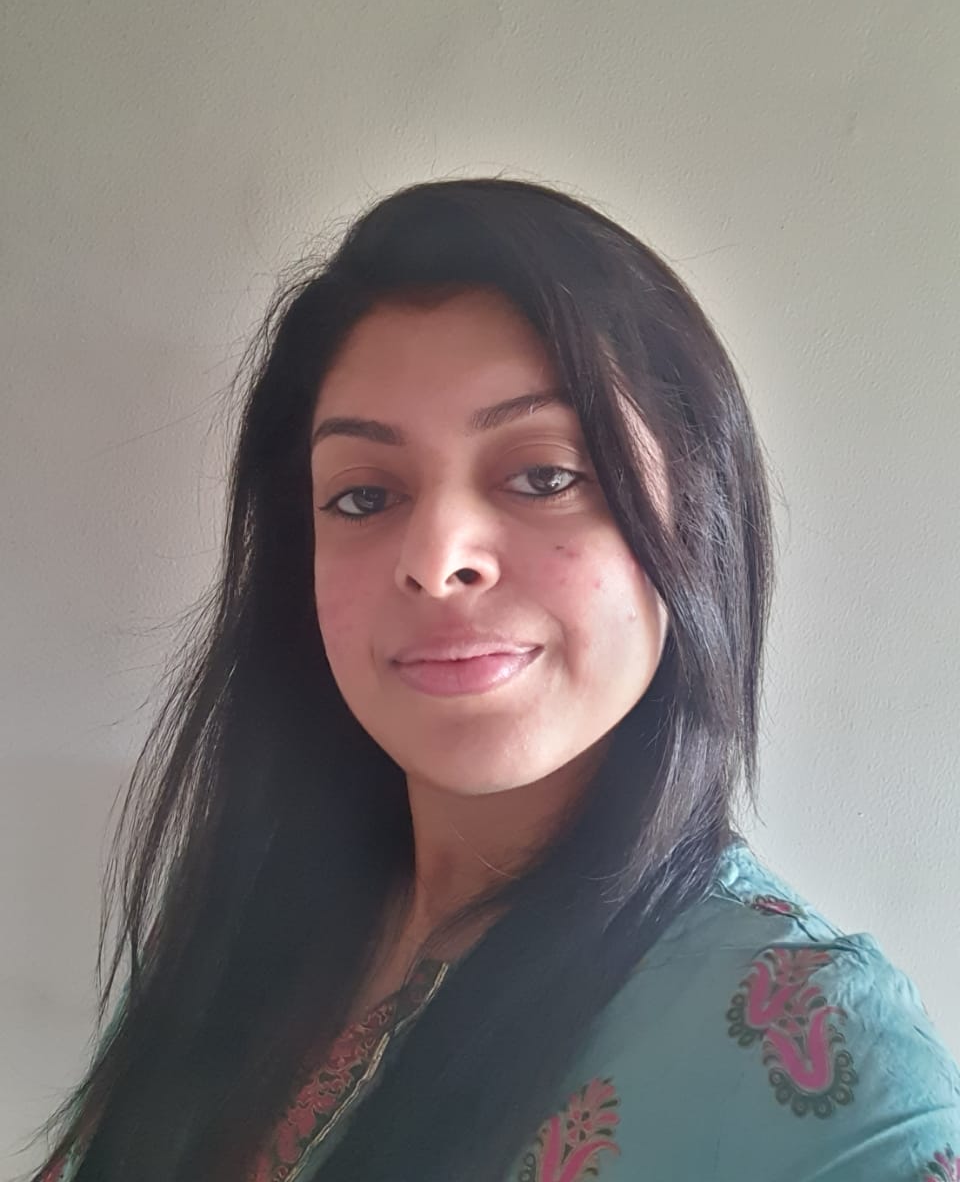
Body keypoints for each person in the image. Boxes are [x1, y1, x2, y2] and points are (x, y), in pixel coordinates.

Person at [28, 178, 960, 1182]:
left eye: (544, 476)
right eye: (365, 495)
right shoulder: (242, 914)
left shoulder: (831, 1065)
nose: (437, 559)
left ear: (696, 519)